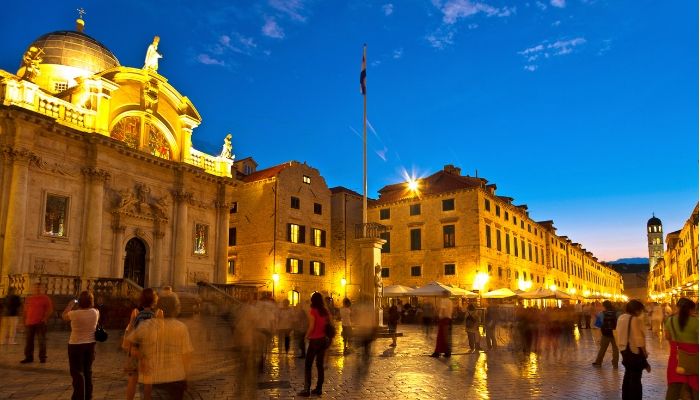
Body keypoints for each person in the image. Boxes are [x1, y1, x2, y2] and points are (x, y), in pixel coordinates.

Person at [124, 294, 193, 400]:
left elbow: (127, 344)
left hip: (152, 378)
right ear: (175, 309)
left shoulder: (146, 325)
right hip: (175, 377)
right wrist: (186, 376)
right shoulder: (181, 327)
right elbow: (186, 355)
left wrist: (142, 357)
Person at [123, 288, 162, 400]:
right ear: (154, 299)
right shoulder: (159, 313)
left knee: (132, 379)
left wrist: (127, 345)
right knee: (148, 380)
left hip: (135, 349)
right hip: (149, 350)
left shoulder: (135, 312)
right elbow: (160, 333)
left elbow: (130, 330)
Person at [62, 291, 99, 400]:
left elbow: (64, 316)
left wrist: (71, 304)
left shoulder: (74, 314)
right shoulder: (95, 312)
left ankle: (78, 397)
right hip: (90, 344)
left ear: (80, 302)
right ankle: (88, 396)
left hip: (76, 345)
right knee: (88, 372)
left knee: (77, 373)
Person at [664, 298, 699, 400]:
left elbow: (667, 337)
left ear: (677, 308)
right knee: (695, 388)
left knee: (674, 387)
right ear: (691, 310)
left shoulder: (669, 320)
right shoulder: (696, 322)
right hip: (694, 359)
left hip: (676, 359)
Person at [298, 292, 330, 397]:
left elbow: (311, 326)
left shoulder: (313, 311)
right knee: (319, 365)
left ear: (313, 300)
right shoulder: (325, 311)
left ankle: (306, 389)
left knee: (308, 365)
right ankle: (319, 388)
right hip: (323, 340)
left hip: (315, 340)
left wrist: (306, 336)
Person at [618, 299, 650, 400]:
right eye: (640, 310)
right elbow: (638, 338)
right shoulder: (635, 319)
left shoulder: (621, 317)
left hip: (624, 350)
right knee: (636, 378)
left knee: (627, 375)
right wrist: (644, 352)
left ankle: (626, 397)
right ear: (636, 310)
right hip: (634, 350)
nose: (641, 312)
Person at [21, 282, 54, 363]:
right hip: (29, 322)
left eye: (39, 288)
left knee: (41, 341)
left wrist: (45, 318)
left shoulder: (45, 298)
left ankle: (42, 357)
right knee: (29, 341)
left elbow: (49, 310)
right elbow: (25, 311)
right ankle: (29, 357)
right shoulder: (29, 298)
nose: (37, 289)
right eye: (35, 288)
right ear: (32, 289)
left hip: (40, 323)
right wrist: (23, 321)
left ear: (42, 289)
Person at [592, 300, 619, 368]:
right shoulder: (616, 313)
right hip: (615, 333)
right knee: (615, 349)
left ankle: (598, 362)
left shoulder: (601, 313)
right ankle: (615, 364)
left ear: (604, 306)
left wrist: (596, 316)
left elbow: (598, 325)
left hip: (606, 333)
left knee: (603, 349)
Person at [431, 291, 453, 358]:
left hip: (444, 320)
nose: (442, 295)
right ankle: (447, 352)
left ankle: (438, 352)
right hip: (449, 320)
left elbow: (443, 310)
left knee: (441, 336)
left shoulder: (444, 301)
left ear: (445, 294)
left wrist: (439, 316)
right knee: (447, 336)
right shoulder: (450, 301)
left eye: (443, 294)